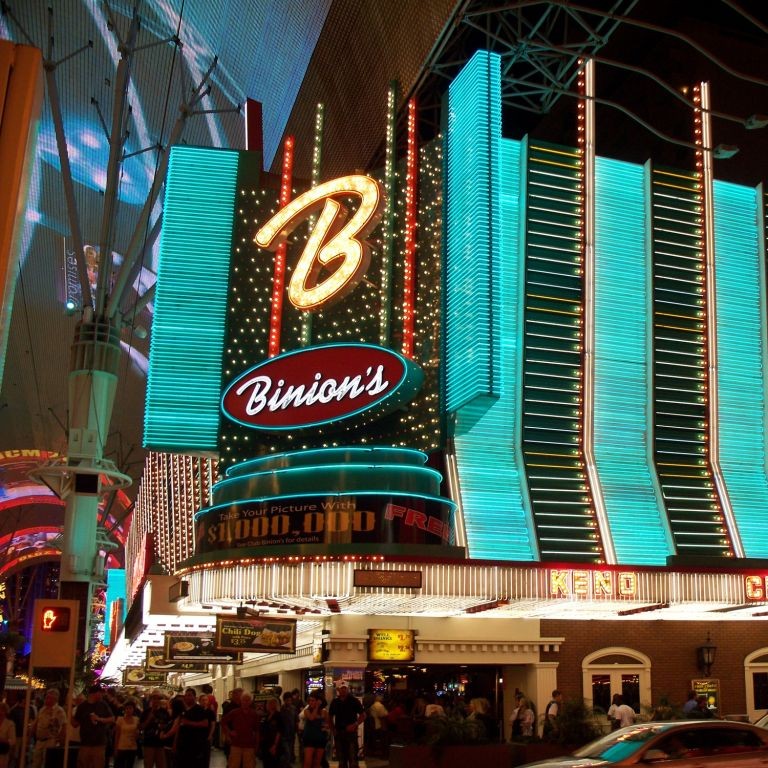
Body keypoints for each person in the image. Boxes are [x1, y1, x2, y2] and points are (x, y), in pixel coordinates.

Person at [71, 685, 115, 768]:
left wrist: (99, 719)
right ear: (95, 693)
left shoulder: (103, 705)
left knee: (98, 764)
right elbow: (75, 724)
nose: (102, 695)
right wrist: (69, 712)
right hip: (85, 743)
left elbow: (112, 719)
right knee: (83, 764)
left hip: (99, 743)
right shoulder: (82, 706)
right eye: (100, 693)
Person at [167, 688, 211, 768]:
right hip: (183, 745)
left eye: (190, 695)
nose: (187, 697)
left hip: (195, 745)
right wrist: (175, 744)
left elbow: (205, 723)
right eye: (186, 696)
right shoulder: (183, 711)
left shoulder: (199, 709)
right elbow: (179, 728)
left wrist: (189, 723)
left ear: (194, 697)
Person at [220, 692, 260, 768]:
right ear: (241, 701)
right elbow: (223, 722)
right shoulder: (235, 712)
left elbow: (257, 730)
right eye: (244, 700)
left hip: (249, 744)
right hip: (236, 744)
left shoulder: (254, 714)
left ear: (251, 702)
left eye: (248, 700)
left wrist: (257, 745)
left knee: (249, 765)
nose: (245, 702)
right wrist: (229, 732)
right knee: (233, 765)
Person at [328, 684, 365, 768]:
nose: (343, 690)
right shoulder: (335, 702)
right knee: (341, 760)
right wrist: (333, 730)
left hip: (351, 734)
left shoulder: (354, 701)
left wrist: (355, 724)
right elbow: (330, 717)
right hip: (339, 733)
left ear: (347, 689)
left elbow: (363, 715)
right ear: (338, 690)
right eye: (341, 688)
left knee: (353, 759)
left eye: (345, 688)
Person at [30, 689, 67, 768]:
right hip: (39, 740)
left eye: (48, 697)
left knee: (47, 762)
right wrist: (30, 733)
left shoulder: (59, 711)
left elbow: (64, 727)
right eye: (46, 697)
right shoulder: (42, 709)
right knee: (35, 762)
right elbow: (36, 722)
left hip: (50, 741)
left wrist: (61, 741)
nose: (46, 699)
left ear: (54, 699)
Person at [139, 692, 172, 768]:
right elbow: (141, 727)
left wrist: (163, 727)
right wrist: (149, 719)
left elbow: (168, 726)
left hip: (160, 744)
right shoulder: (146, 712)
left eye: (158, 699)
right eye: (154, 698)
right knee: (148, 764)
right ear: (151, 700)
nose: (156, 700)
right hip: (148, 743)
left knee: (161, 765)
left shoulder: (164, 712)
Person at [301, 693, 329, 768]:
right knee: (308, 762)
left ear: (318, 701)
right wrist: (316, 707)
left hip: (320, 738)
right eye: (309, 701)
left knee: (317, 763)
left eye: (313, 701)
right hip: (309, 738)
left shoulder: (324, 712)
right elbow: (311, 718)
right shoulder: (307, 711)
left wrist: (326, 727)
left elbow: (328, 724)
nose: (311, 702)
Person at [113, 700, 140, 768]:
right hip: (121, 746)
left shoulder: (136, 719)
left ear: (133, 709)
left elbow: (137, 735)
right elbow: (117, 734)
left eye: (130, 708)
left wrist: (137, 734)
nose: (128, 710)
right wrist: (115, 748)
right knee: (120, 765)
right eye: (127, 708)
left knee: (130, 765)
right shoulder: (120, 719)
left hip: (132, 747)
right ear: (124, 709)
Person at [258, 698, 283, 768]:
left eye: (269, 703)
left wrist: (275, 745)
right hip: (265, 744)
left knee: (274, 763)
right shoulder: (266, 716)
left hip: (274, 744)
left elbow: (279, 731)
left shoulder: (278, 716)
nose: (267, 705)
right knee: (266, 763)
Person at [0, 704, 17, 768]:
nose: (0, 712)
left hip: (3, 753)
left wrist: (2, 740)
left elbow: (13, 741)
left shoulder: (10, 724)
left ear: (5, 712)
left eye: (2, 710)